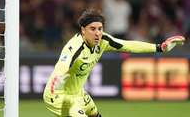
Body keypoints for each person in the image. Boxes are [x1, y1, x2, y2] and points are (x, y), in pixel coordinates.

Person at [43, 9, 185, 117]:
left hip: (77, 93)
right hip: (57, 95)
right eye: (92, 29)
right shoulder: (74, 47)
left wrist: (160, 47)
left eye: (100, 28)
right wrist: (57, 79)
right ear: (83, 30)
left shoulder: (103, 40)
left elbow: (128, 45)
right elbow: (62, 65)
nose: (97, 33)